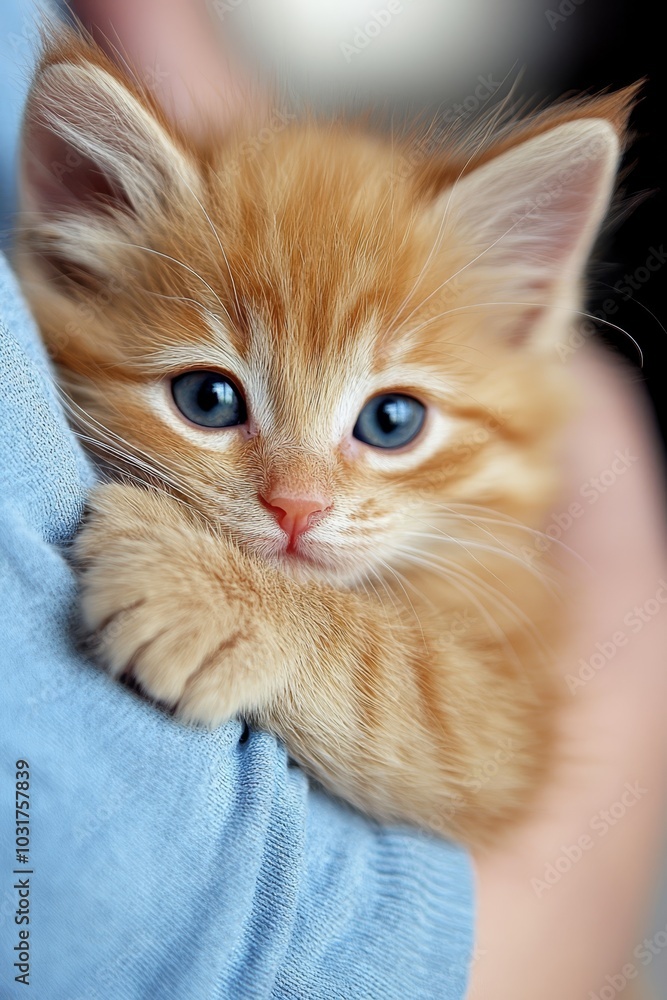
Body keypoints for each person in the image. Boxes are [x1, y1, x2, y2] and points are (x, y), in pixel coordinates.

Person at [1, 1, 666, 997]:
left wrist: (283, 627)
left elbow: (483, 765)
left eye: (390, 421)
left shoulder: (481, 569)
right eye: (210, 396)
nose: (298, 500)